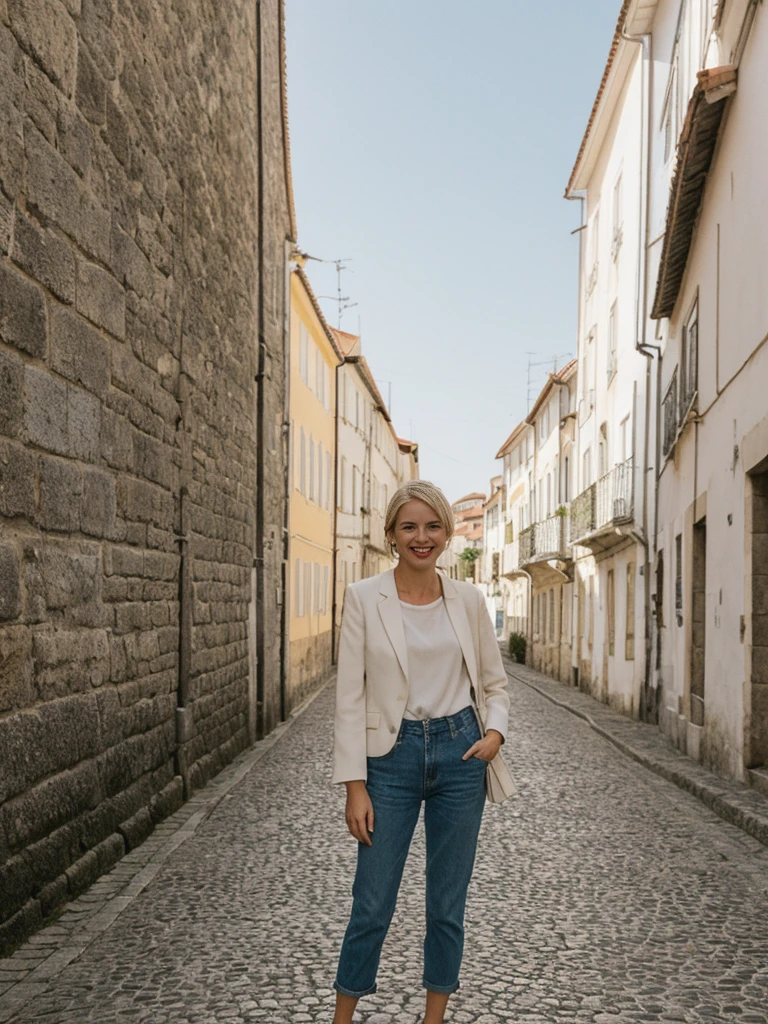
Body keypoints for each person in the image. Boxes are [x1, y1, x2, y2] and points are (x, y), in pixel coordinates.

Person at [331, 480, 510, 1024]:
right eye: (409, 526)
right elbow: (349, 695)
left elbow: (495, 685)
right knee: (372, 903)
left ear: (447, 534)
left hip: (461, 756)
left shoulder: (470, 599)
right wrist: (354, 786)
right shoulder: (364, 598)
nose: (421, 537)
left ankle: (433, 1018)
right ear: (391, 534)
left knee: (446, 906)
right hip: (391, 758)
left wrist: (495, 735)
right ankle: (341, 1017)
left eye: (432, 526)